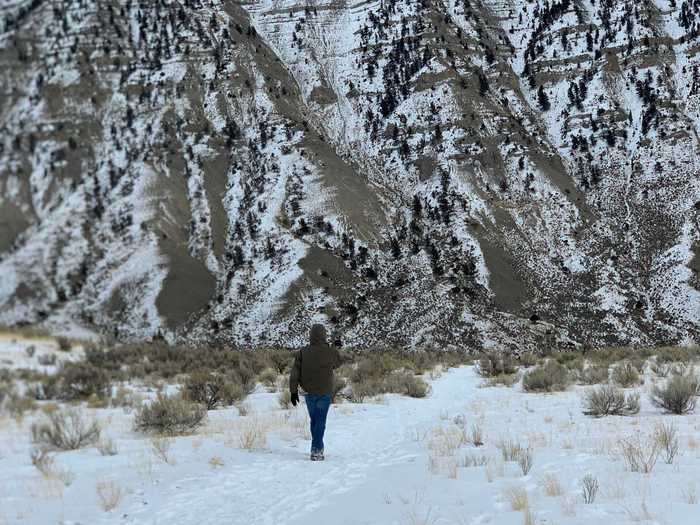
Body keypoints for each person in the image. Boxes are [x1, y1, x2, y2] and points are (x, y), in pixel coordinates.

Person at [289, 324, 341, 461]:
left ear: (311, 335)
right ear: (324, 334)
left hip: (309, 392)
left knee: (315, 421)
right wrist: (334, 347)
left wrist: (293, 391)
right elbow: (338, 363)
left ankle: (317, 447)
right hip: (325, 392)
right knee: (320, 421)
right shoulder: (330, 352)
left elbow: (295, 372)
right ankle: (317, 450)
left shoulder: (303, 352)